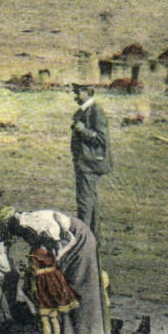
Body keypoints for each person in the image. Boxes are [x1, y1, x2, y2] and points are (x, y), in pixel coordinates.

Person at [0, 206, 106, 334]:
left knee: (77, 285)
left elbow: (60, 245)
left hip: (78, 240)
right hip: (66, 243)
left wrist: (52, 264)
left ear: (13, 223)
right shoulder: (26, 224)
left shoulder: (35, 226)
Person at [22, 246, 79, 334]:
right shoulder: (53, 270)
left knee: (45, 320)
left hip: (44, 298)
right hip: (54, 297)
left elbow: (33, 288)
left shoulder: (37, 273)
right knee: (54, 318)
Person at [69, 83, 111, 237]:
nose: (75, 96)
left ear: (87, 92)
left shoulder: (96, 111)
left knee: (85, 202)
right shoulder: (85, 110)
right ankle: (92, 237)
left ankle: (83, 238)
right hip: (85, 162)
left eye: (78, 92)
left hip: (90, 164)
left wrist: (83, 130)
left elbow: (101, 139)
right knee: (90, 202)